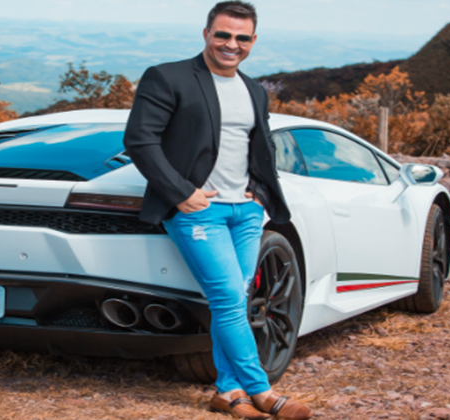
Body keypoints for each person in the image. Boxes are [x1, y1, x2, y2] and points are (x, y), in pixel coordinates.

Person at [123, 2, 313, 419]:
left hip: (245, 213)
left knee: (235, 301)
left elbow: (258, 147)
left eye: (242, 38)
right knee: (227, 297)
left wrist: (259, 192)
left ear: (253, 41)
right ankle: (262, 391)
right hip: (198, 211)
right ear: (206, 33)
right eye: (223, 34)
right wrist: (180, 193)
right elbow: (139, 139)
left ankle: (228, 391)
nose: (232, 44)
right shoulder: (168, 77)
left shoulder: (254, 90)